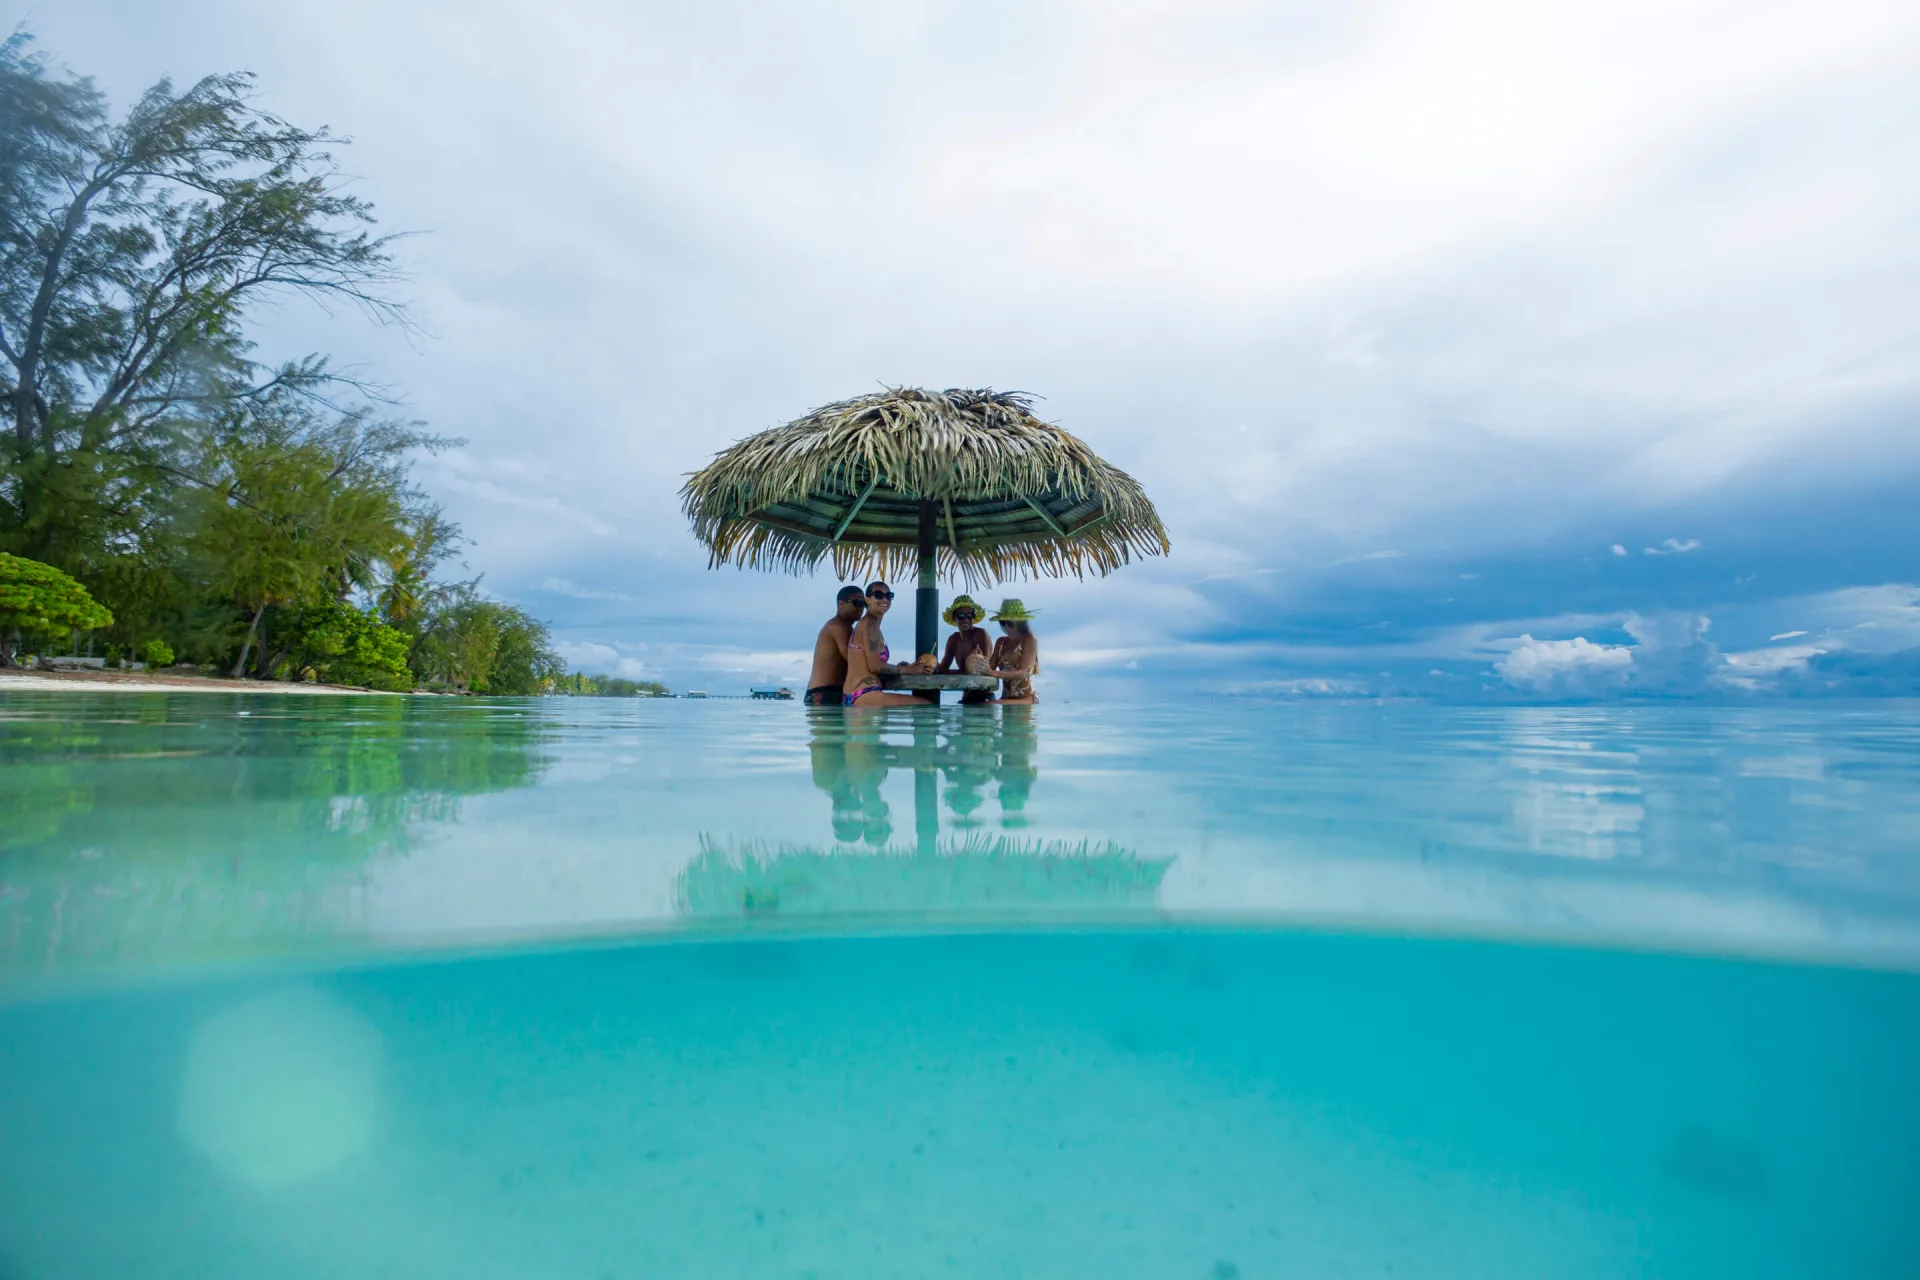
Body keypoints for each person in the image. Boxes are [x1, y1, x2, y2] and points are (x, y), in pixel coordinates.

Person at [842, 580, 933, 708]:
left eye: (889, 596)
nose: (884, 599)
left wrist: (905, 668)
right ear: (867, 600)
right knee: (927, 706)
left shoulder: (868, 624)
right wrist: (908, 670)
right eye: (878, 595)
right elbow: (875, 666)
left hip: (856, 695)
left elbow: (868, 664)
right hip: (865, 694)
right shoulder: (870, 624)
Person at [805, 585, 867, 706]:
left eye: (864, 604)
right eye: (857, 603)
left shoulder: (844, 627)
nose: (861, 608)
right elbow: (854, 661)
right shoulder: (838, 627)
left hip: (826, 693)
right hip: (825, 694)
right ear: (841, 604)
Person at [935, 593, 994, 704]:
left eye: (969, 615)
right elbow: (942, 670)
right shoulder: (953, 640)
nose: (965, 619)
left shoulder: (981, 635)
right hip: (966, 696)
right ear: (954, 617)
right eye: (961, 616)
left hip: (984, 697)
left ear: (974, 617)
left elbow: (981, 671)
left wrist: (956, 672)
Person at [988, 598, 1040, 704]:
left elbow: (1023, 673)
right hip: (1006, 699)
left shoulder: (1029, 639)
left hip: (1026, 700)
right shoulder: (1000, 642)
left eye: (1008, 621)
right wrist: (978, 659)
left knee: (990, 704)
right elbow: (989, 668)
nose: (1005, 625)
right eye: (1003, 621)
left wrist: (993, 673)